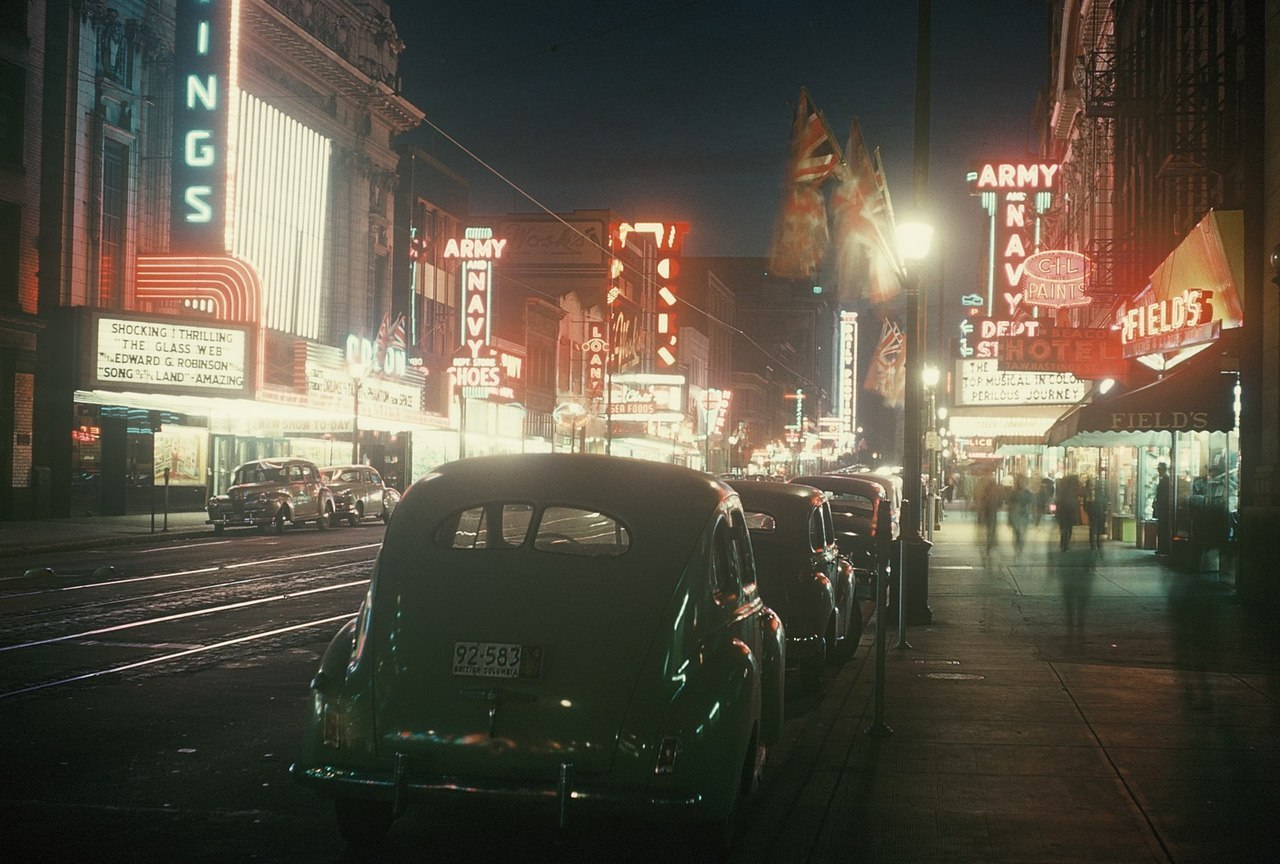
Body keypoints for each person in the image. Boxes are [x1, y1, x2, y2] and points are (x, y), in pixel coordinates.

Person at [1007, 474, 1034, 558]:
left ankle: (1019, 549)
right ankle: (1017, 549)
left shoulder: (1028, 493)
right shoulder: (1014, 493)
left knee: (1022, 534)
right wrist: (1009, 518)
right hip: (1015, 515)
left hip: (1024, 515)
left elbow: (1031, 505)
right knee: (1017, 533)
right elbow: (1010, 505)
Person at [1054, 472, 1081, 551]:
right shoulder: (1074, 487)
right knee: (1069, 526)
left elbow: (1057, 498)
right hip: (1071, 508)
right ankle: (1067, 542)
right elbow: (1077, 496)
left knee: (1063, 526)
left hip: (1062, 508)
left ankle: (1063, 542)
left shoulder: (1062, 486)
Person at [1083, 474, 1108, 551]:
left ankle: (1097, 541)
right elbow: (1085, 502)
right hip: (1093, 511)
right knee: (1093, 527)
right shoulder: (1088, 492)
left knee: (1098, 527)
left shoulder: (1099, 493)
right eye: (1091, 483)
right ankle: (1093, 543)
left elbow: (1104, 501)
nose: (1092, 485)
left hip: (1098, 511)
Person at [1153, 461, 1171, 556]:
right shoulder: (1163, 479)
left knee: (1163, 529)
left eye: (1160, 469)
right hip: (1162, 508)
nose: (1159, 471)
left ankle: (1163, 548)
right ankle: (1161, 548)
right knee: (1161, 528)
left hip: (1164, 509)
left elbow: (1163, 496)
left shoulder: (1166, 480)